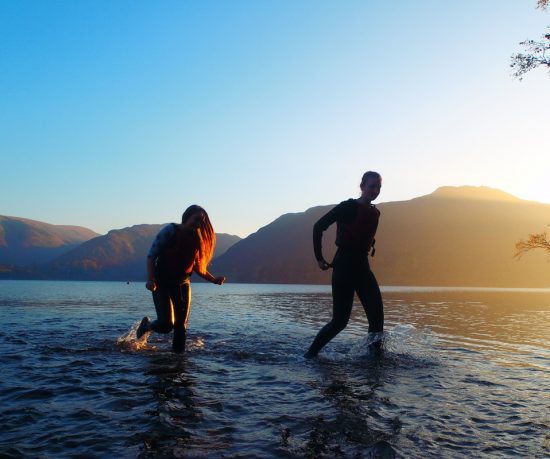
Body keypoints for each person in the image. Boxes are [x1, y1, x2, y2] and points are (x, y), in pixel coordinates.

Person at [304, 171, 384, 358]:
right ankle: (309, 356)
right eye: (371, 186)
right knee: (340, 322)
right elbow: (318, 227)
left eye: (378, 187)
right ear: (362, 187)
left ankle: (376, 362)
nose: (375, 190)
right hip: (344, 265)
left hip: (362, 267)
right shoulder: (347, 207)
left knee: (377, 320)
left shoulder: (375, 213)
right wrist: (319, 258)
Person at [136, 205, 226, 353]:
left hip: (183, 283)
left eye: (202, 222)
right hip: (162, 281)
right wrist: (151, 279)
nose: (198, 224)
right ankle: (147, 326)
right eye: (196, 219)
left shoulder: (197, 239)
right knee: (166, 325)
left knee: (181, 325)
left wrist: (214, 279)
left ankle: (178, 360)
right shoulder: (170, 231)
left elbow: (198, 267)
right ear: (187, 217)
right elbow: (151, 256)